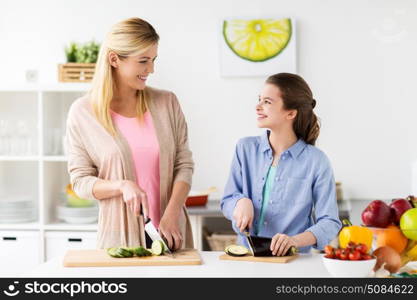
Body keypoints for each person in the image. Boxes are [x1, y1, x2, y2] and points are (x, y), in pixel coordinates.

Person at [66, 17, 194, 250]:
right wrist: (121, 186)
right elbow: (81, 182)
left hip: (172, 233)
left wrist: (172, 213)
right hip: (119, 239)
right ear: (114, 59)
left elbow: (183, 165)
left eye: (154, 60)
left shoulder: (167, 103)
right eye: (143, 61)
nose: (151, 69)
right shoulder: (83, 113)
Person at [221, 73, 341, 255]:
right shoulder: (244, 148)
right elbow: (227, 200)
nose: (257, 107)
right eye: (259, 99)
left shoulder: (317, 161)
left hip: (293, 261)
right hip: (246, 258)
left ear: (291, 113)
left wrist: (294, 240)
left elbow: (330, 222)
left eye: (267, 102)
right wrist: (240, 202)